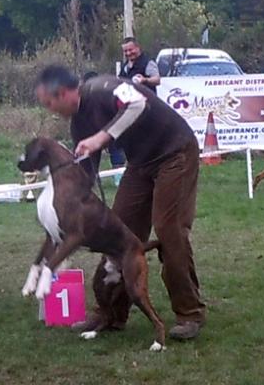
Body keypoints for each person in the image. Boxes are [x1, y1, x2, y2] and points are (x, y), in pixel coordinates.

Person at [35, 65, 206, 340]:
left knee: (168, 229)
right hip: (140, 163)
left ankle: (189, 313)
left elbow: (138, 103)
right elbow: (85, 173)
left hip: (175, 152)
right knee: (118, 229)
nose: (50, 109)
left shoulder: (103, 88)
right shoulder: (78, 123)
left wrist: (102, 137)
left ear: (64, 92)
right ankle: (111, 314)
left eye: (49, 103)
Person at [83, 70, 125, 185]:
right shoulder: (82, 99)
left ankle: (118, 177)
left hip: (111, 129)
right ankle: (92, 179)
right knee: (91, 156)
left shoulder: (108, 93)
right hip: (92, 132)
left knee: (117, 152)